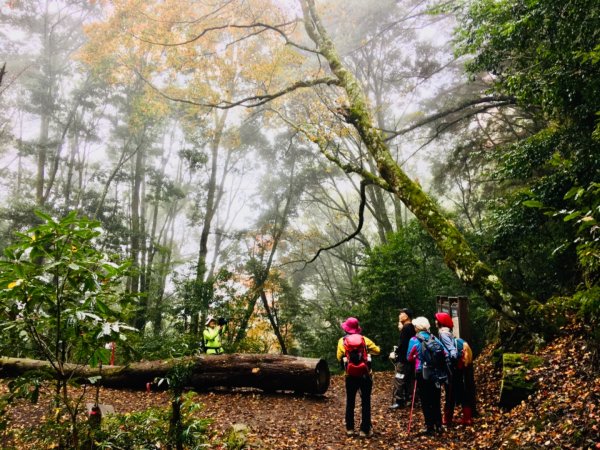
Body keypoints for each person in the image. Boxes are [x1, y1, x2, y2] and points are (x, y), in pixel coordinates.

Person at [336, 317, 380, 438]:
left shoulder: (342, 341)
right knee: (366, 401)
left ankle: (350, 429)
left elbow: (339, 357)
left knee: (350, 401)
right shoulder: (364, 339)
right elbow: (377, 350)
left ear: (346, 329)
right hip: (365, 374)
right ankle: (364, 430)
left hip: (350, 375)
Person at [407, 316, 446, 435]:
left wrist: (415, 357)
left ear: (417, 327)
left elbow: (408, 357)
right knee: (435, 399)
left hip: (421, 372)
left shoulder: (414, 339)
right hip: (435, 373)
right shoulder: (434, 338)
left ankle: (429, 427)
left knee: (425, 400)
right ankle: (439, 425)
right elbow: (444, 353)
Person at [435, 312, 475, 426]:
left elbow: (452, 351)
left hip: (451, 369)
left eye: (437, 319)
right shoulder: (448, 332)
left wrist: (451, 358)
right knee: (461, 391)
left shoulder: (443, 334)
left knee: (450, 393)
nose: (435, 321)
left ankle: (447, 419)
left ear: (440, 322)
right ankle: (467, 417)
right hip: (456, 368)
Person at [389, 307, 416, 409]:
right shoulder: (412, 327)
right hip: (410, 359)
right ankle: (410, 399)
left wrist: (396, 352)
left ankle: (399, 401)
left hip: (403, 359)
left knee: (399, 378)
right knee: (409, 379)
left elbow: (404, 345)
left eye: (402, 313)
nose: (399, 315)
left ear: (407, 316)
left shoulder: (406, 328)